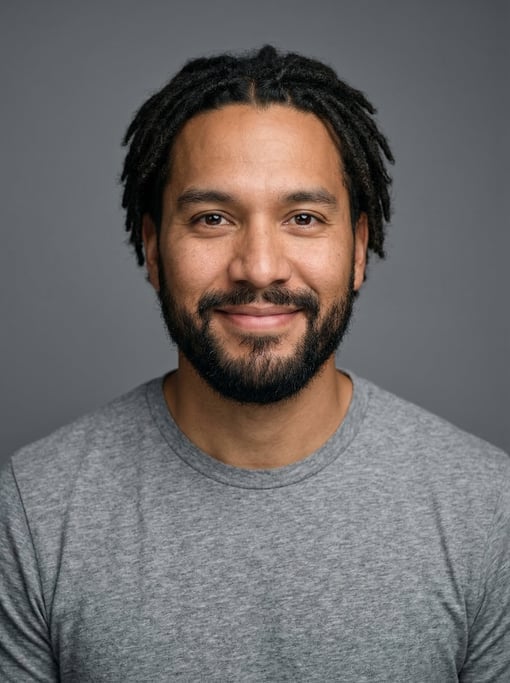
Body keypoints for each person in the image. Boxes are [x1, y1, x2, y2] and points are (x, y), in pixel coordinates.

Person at [0, 45, 508, 682]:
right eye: (213, 218)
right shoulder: (35, 509)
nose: (260, 266)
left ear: (358, 249)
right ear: (153, 249)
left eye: (303, 218)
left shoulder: (487, 510)